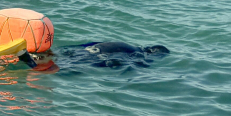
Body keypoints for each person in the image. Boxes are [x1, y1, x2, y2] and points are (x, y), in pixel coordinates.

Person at [18, 42, 170, 73]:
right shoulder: (137, 56)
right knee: (61, 67)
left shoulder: (126, 44)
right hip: (93, 57)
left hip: (86, 50)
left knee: (56, 58)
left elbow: (90, 43)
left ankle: (28, 55)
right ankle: (24, 58)